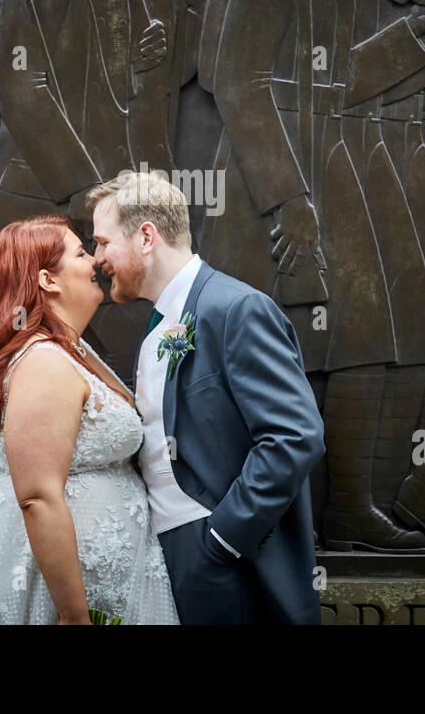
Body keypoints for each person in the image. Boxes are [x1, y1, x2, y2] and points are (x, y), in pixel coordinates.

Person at [0, 214, 179, 624]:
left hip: (115, 582)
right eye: (81, 253)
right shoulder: (42, 361)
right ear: (48, 280)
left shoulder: (68, 350)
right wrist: (73, 615)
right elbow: (38, 496)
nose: (95, 262)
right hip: (50, 594)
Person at [88, 171, 325, 623]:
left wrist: (222, 538)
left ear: (145, 237)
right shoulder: (158, 328)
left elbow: (295, 436)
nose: (98, 258)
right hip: (165, 558)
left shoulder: (235, 309)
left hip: (223, 557)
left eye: (102, 242)